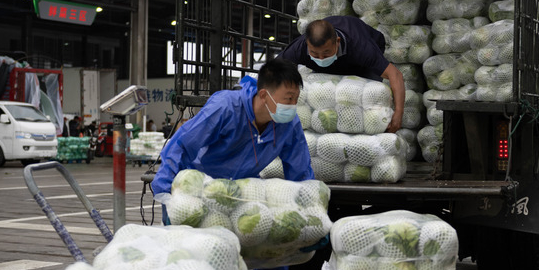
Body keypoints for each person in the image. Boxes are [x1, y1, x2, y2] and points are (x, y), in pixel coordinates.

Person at [151, 57, 315, 220]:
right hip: (197, 189)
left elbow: (299, 169)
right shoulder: (225, 107)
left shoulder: (288, 124)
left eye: (296, 99)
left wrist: (310, 211)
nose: (293, 106)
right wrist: (166, 192)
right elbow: (182, 144)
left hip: (238, 195)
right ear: (264, 94)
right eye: (288, 98)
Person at [278, 16, 405, 133]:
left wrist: (398, 114)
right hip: (336, 63)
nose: (321, 58)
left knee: (365, 99)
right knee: (321, 95)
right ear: (307, 44)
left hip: (360, 65)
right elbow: (274, 72)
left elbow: (395, 75)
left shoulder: (361, 47)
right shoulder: (299, 48)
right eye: (315, 54)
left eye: (326, 53)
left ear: (337, 42)